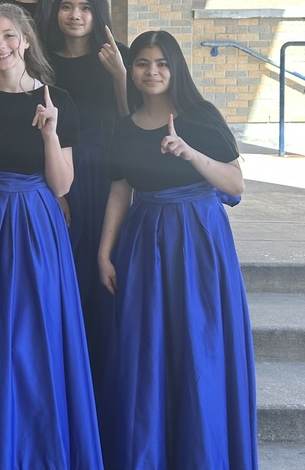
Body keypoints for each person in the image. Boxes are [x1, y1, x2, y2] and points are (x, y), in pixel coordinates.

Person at [0, 3, 102, 469]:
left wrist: (51, 135)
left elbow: (62, 185)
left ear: (26, 39)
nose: (1, 46)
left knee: (37, 337)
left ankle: (40, 448)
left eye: (9, 36)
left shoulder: (58, 100)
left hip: (39, 225)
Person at [98, 30, 256, 469]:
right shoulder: (125, 126)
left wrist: (190, 153)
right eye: (143, 63)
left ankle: (202, 452)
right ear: (132, 70)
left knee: (198, 346)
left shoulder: (200, 116)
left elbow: (235, 184)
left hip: (199, 241)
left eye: (161, 63)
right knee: (147, 350)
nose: (151, 72)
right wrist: (104, 252)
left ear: (176, 68)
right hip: (145, 241)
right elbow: (119, 191)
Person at [45, 0, 128, 404]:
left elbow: (133, 117)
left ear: (97, 14)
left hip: (109, 171)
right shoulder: (42, 61)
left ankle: (105, 371)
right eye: (66, 6)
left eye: (84, 7)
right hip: (61, 173)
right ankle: (69, 369)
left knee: (107, 264)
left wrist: (120, 74)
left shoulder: (117, 57)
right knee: (70, 269)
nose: (74, 14)